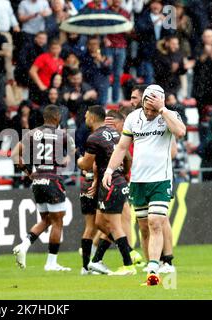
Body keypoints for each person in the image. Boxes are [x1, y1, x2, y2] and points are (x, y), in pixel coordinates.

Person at [102, 84, 186, 286]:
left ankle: (153, 270)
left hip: (161, 179)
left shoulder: (169, 116)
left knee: (156, 221)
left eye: (152, 108)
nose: (149, 112)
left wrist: (163, 109)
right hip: (138, 181)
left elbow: (181, 132)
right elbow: (122, 147)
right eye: (146, 107)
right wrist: (109, 170)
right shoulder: (133, 118)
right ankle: (151, 266)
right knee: (144, 227)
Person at [12, 104, 76, 272]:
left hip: (38, 180)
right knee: (57, 221)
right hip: (53, 180)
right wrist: (66, 159)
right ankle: (51, 263)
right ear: (57, 118)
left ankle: (24, 245)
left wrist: (27, 172)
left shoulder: (31, 133)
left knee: (46, 220)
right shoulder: (62, 134)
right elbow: (71, 155)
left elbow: (13, 154)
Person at [78, 105, 136, 276]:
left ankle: (128, 265)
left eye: (87, 115)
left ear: (93, 118)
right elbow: (127, 157)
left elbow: (87, 164)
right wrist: (123, 174)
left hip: (111, 183)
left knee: (114, 226)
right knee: (100, 223)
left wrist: (79, 160)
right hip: (112, 182)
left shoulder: (94, 137)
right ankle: (97, 261)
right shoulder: (115, 134)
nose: (85, 118)